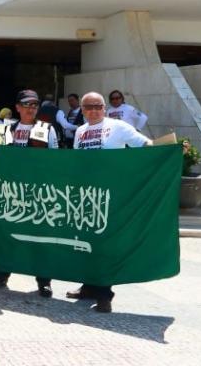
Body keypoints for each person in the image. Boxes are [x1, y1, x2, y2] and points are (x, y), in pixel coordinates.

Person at [70, 91, 153, 313]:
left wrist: (172, 149)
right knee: (86, 243)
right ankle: (88, 287)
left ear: (105, 108)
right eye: (89, 107)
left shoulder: (118, 127)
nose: (94, 110)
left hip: (110, 197)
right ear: (83, 110)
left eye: (98, 106)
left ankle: (104, 295)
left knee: (104, 245)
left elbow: (145, 145)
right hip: (86, 196)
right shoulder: (80, 131)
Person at [0, 89, 56, 296]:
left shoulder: (48, 129)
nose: (31, 109)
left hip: (39, 193)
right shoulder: (7, 130)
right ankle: (1, 273)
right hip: (12, 193)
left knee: (40, 238)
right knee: (7, 234)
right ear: (17, 107)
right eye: (27, 105)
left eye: (35, 105)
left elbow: (55, 160)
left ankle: (44, 280)